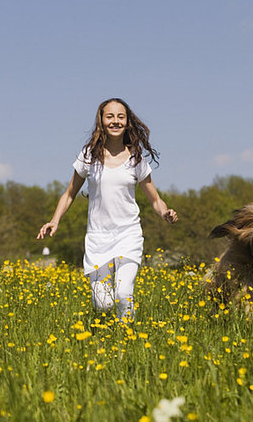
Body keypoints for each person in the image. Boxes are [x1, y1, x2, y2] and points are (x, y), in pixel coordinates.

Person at [37, 98, 178, 321]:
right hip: (98, 238)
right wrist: (55, 221)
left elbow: (155, 199)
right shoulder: (88, 156)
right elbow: (69, 193)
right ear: (101, 121)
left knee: (123, 294)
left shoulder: (136, 159)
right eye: (110, 116)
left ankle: (128, 343)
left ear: (128, 122)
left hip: (128, 235)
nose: (115, 121)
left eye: (120, 117)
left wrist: (165, 212)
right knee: (103, 305)